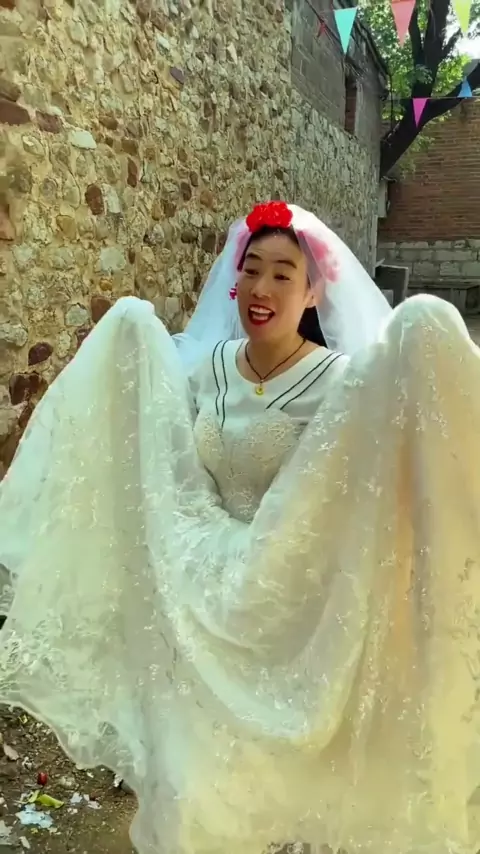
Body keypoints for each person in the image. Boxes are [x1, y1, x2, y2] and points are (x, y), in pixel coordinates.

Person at [0, 200, 480, 854]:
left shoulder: (343, 384)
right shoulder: (209, 366)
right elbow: (164, 446)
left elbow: (361, 486)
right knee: (193, 777)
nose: (261, 287)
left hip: (285, 594)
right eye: (251, 269)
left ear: (313, 292)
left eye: (283, 274)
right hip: (199, 578)